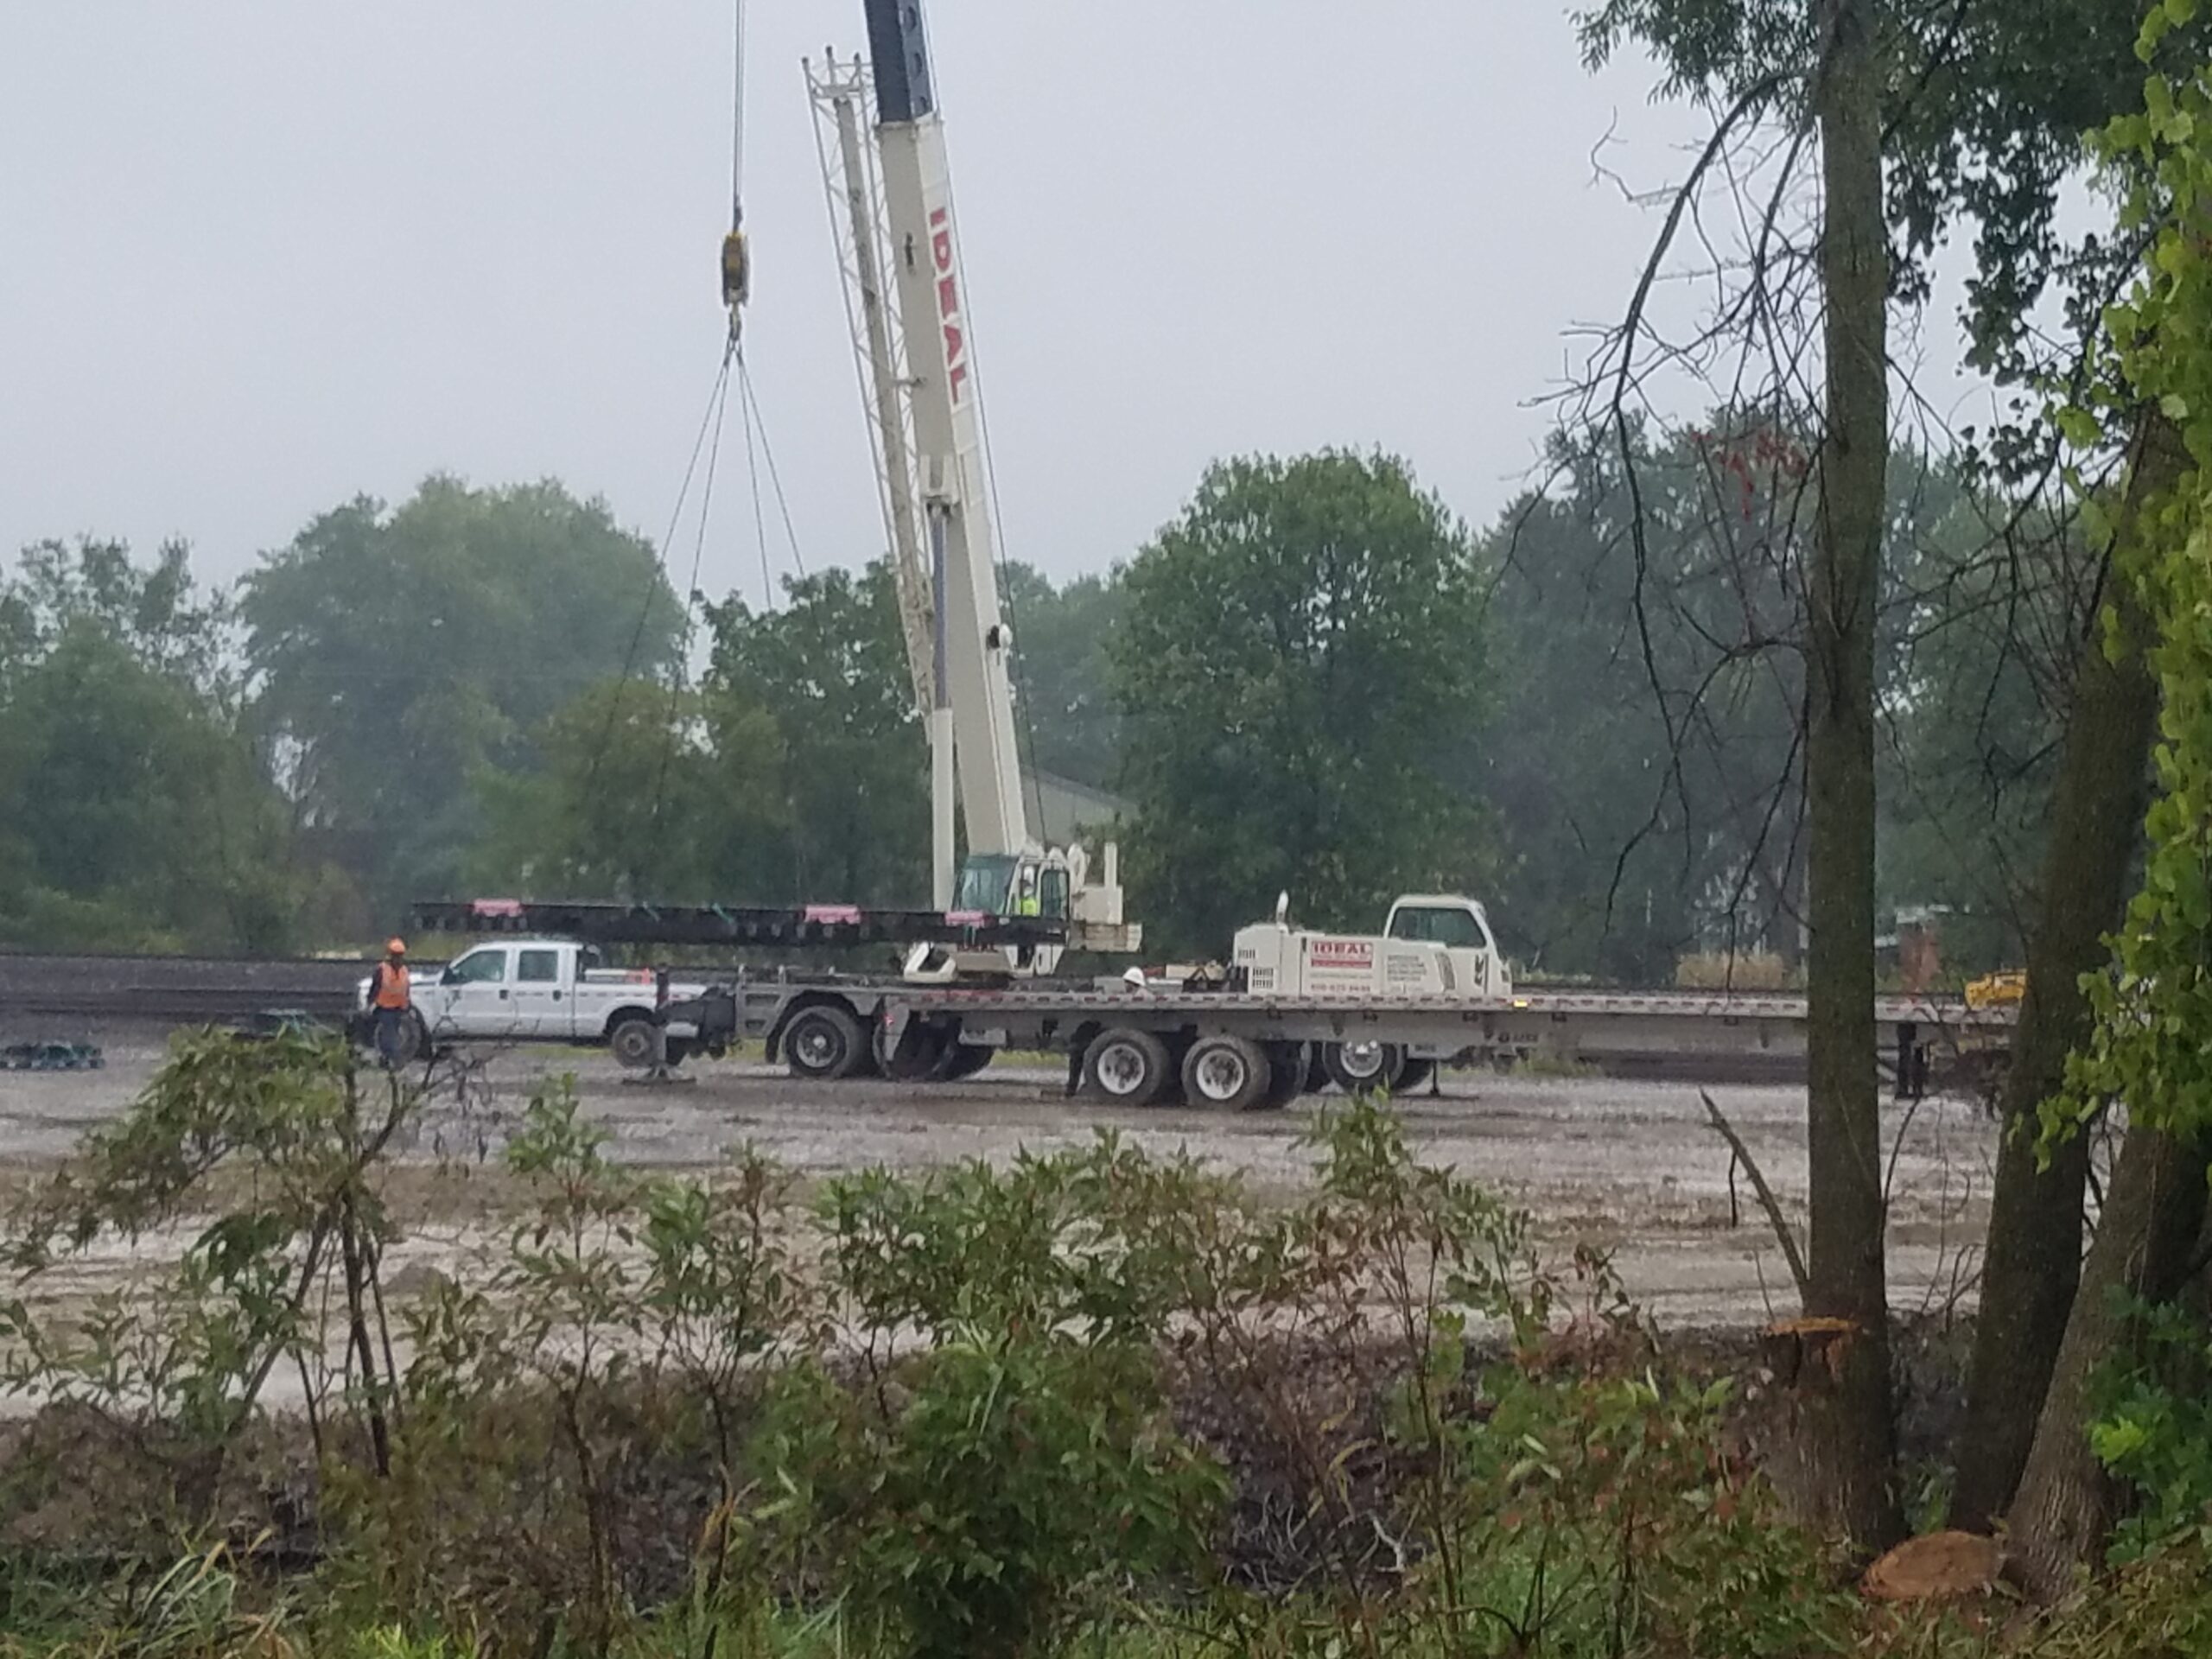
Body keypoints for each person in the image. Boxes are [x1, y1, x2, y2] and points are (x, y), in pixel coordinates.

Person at [367, 938, 412, 1066]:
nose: (398, 959)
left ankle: (386, 1060)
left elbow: (406, 988)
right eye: (396, 955)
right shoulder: (382, 970)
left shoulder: (404, 971)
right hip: (384, 1008)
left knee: (392, 1036)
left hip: (398, 1008)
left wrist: (407, 1005)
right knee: (389, 1036)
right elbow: (375, 987)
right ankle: (397, 1061)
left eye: (400, 956)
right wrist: (370, 1003)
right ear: (391, 955)